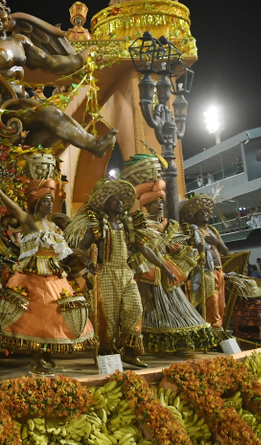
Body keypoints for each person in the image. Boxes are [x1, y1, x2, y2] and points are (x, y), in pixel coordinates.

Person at [0, 0, 117, 157]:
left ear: (7, 14)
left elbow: (52, 63)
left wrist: (83, 56)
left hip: (19, 103)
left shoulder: (20, 41)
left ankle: (23, 157)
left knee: (52, 129)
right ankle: (93, 144)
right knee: (48, 113)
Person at [0, 170, 96, 375]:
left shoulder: (54, 226)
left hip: (54, 276)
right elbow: (14, 208)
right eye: (45, 200)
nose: (49, 204)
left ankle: (47, 358)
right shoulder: (30, 221)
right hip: (34, 276)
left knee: (55, 315)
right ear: (37, 203)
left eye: (51, 201)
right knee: (38, 317)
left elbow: (64, 250)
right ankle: (35, 362)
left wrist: (85, 252)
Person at [122, 155, 217, 353]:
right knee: (145, 306)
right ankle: (141, 343)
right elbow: (139, 246)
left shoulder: (168, 225)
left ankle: (172, 341)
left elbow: (170, 245)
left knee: (170, 302)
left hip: (163, 268)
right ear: (147, 205)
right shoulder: (139, 223)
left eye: (161, 202)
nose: (160, 206)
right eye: (156, 203)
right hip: (144, 268)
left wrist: (188, 251)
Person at [66, 180, 165, 368]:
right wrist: (90, 264)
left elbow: (144, 249)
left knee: (135, 308)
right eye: (114, 200)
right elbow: (82, 250)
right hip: (105, 274)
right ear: (105, 204)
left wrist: (164, 267)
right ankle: (107, 354)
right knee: (107, 316)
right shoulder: (96, 227)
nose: (120, 203)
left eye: (121, 200)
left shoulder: (129, 226)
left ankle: (129, 351)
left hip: (125, 272)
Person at [180, 195, 229, 340]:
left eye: (207, 211)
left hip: (219, 271)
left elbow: (225, 251)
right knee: (211, 305)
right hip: (205, 272)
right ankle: (214, 337)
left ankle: (218, 333)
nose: (206, 214)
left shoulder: (213, 230)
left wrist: (216, 242)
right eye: (202, 212)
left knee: (221, 306)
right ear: (194, 217)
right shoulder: (191, 231)